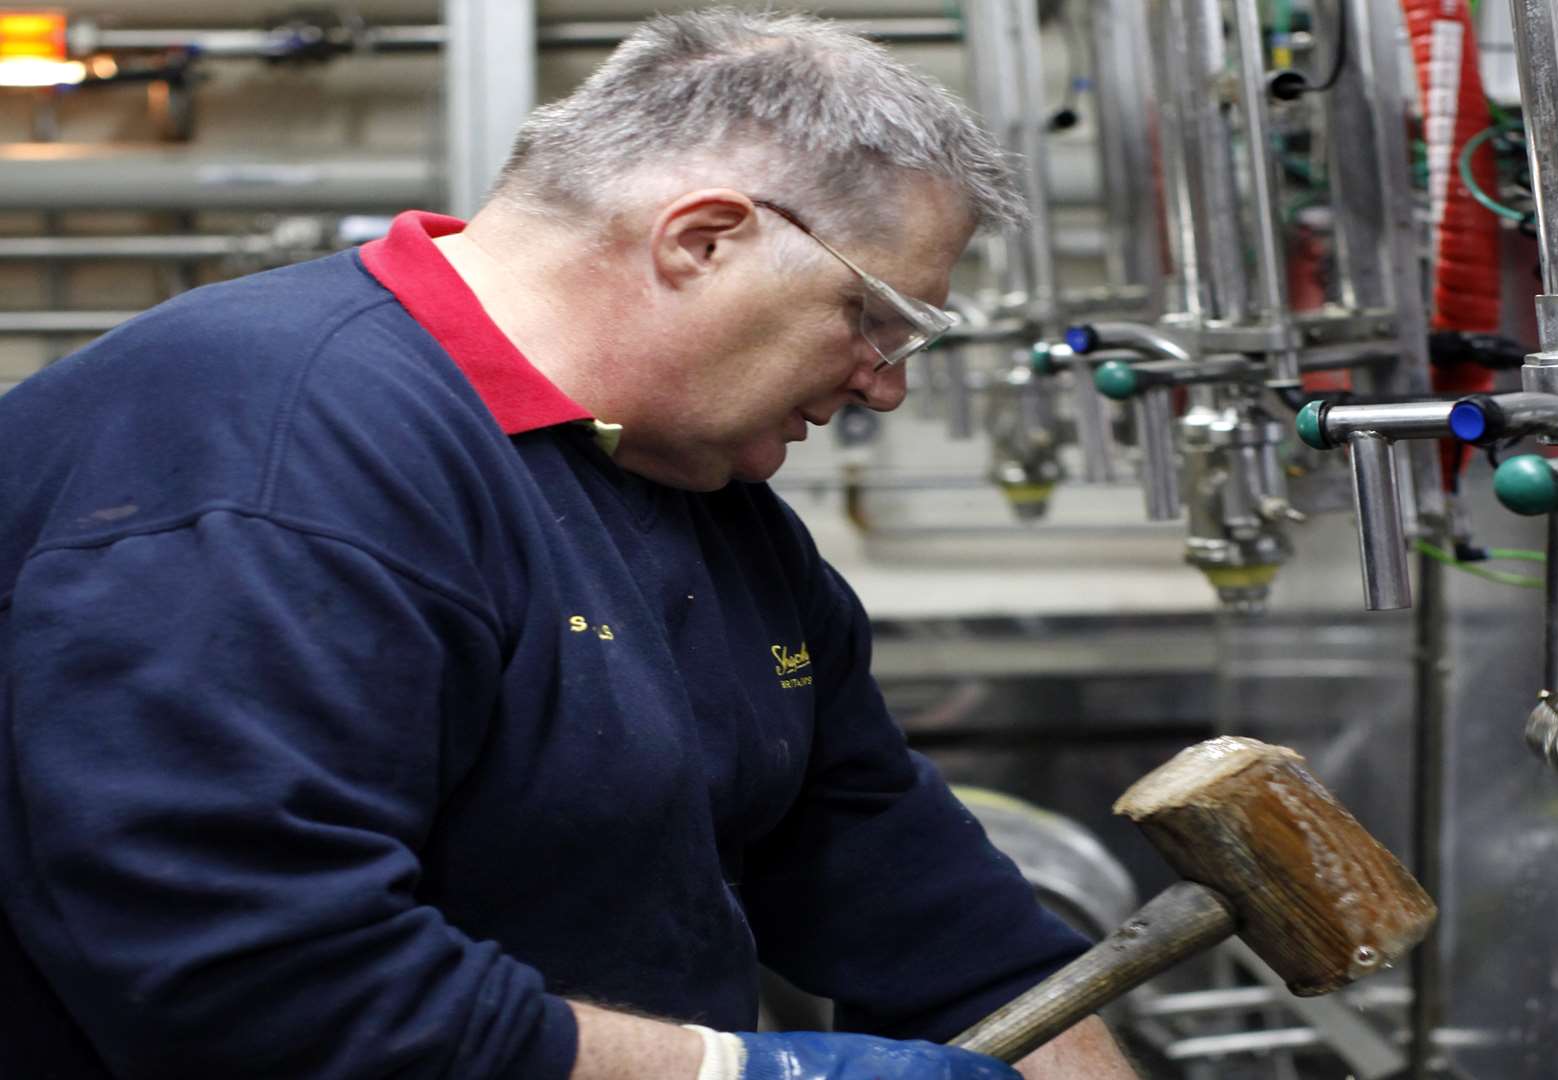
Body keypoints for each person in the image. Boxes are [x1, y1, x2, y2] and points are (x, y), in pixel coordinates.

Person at [0, 11, 1137, 1079]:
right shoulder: (277, 447)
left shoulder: (699, 498)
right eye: (873, 322)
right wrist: (752, 1069)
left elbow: (914, 900)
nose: (884, 388)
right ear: (703, 240)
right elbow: (252, 980)